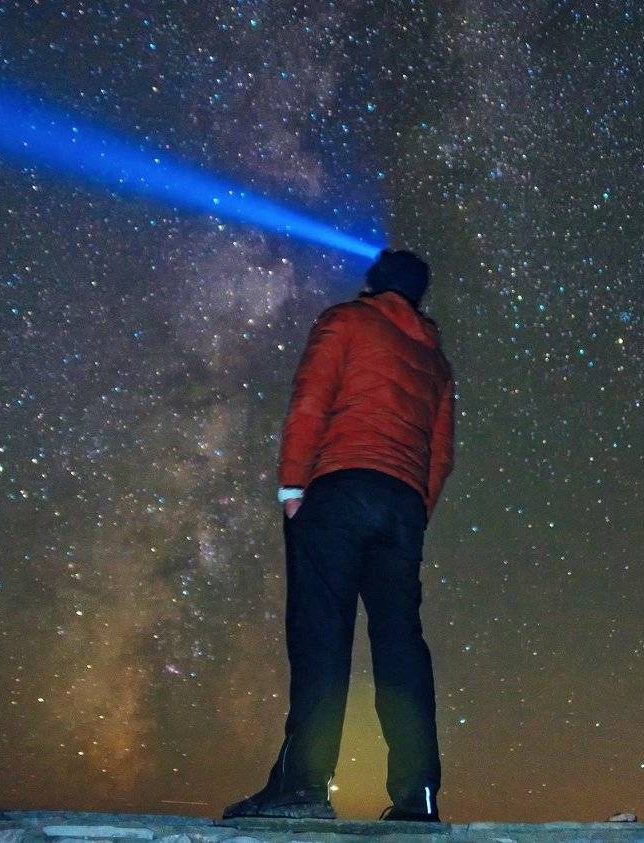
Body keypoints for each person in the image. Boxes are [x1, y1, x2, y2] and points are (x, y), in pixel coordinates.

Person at [222, 249, 455, 823]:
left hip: (340, 486)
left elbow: (311, 401)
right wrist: (415, 507)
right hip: (401, 504)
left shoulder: (346, 320)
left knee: (322, 636)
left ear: (374, 282)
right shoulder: (436, 361)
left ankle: (302, 788)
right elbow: (442, 453)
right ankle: (417, 794)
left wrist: (292, 486)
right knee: (401, 645)